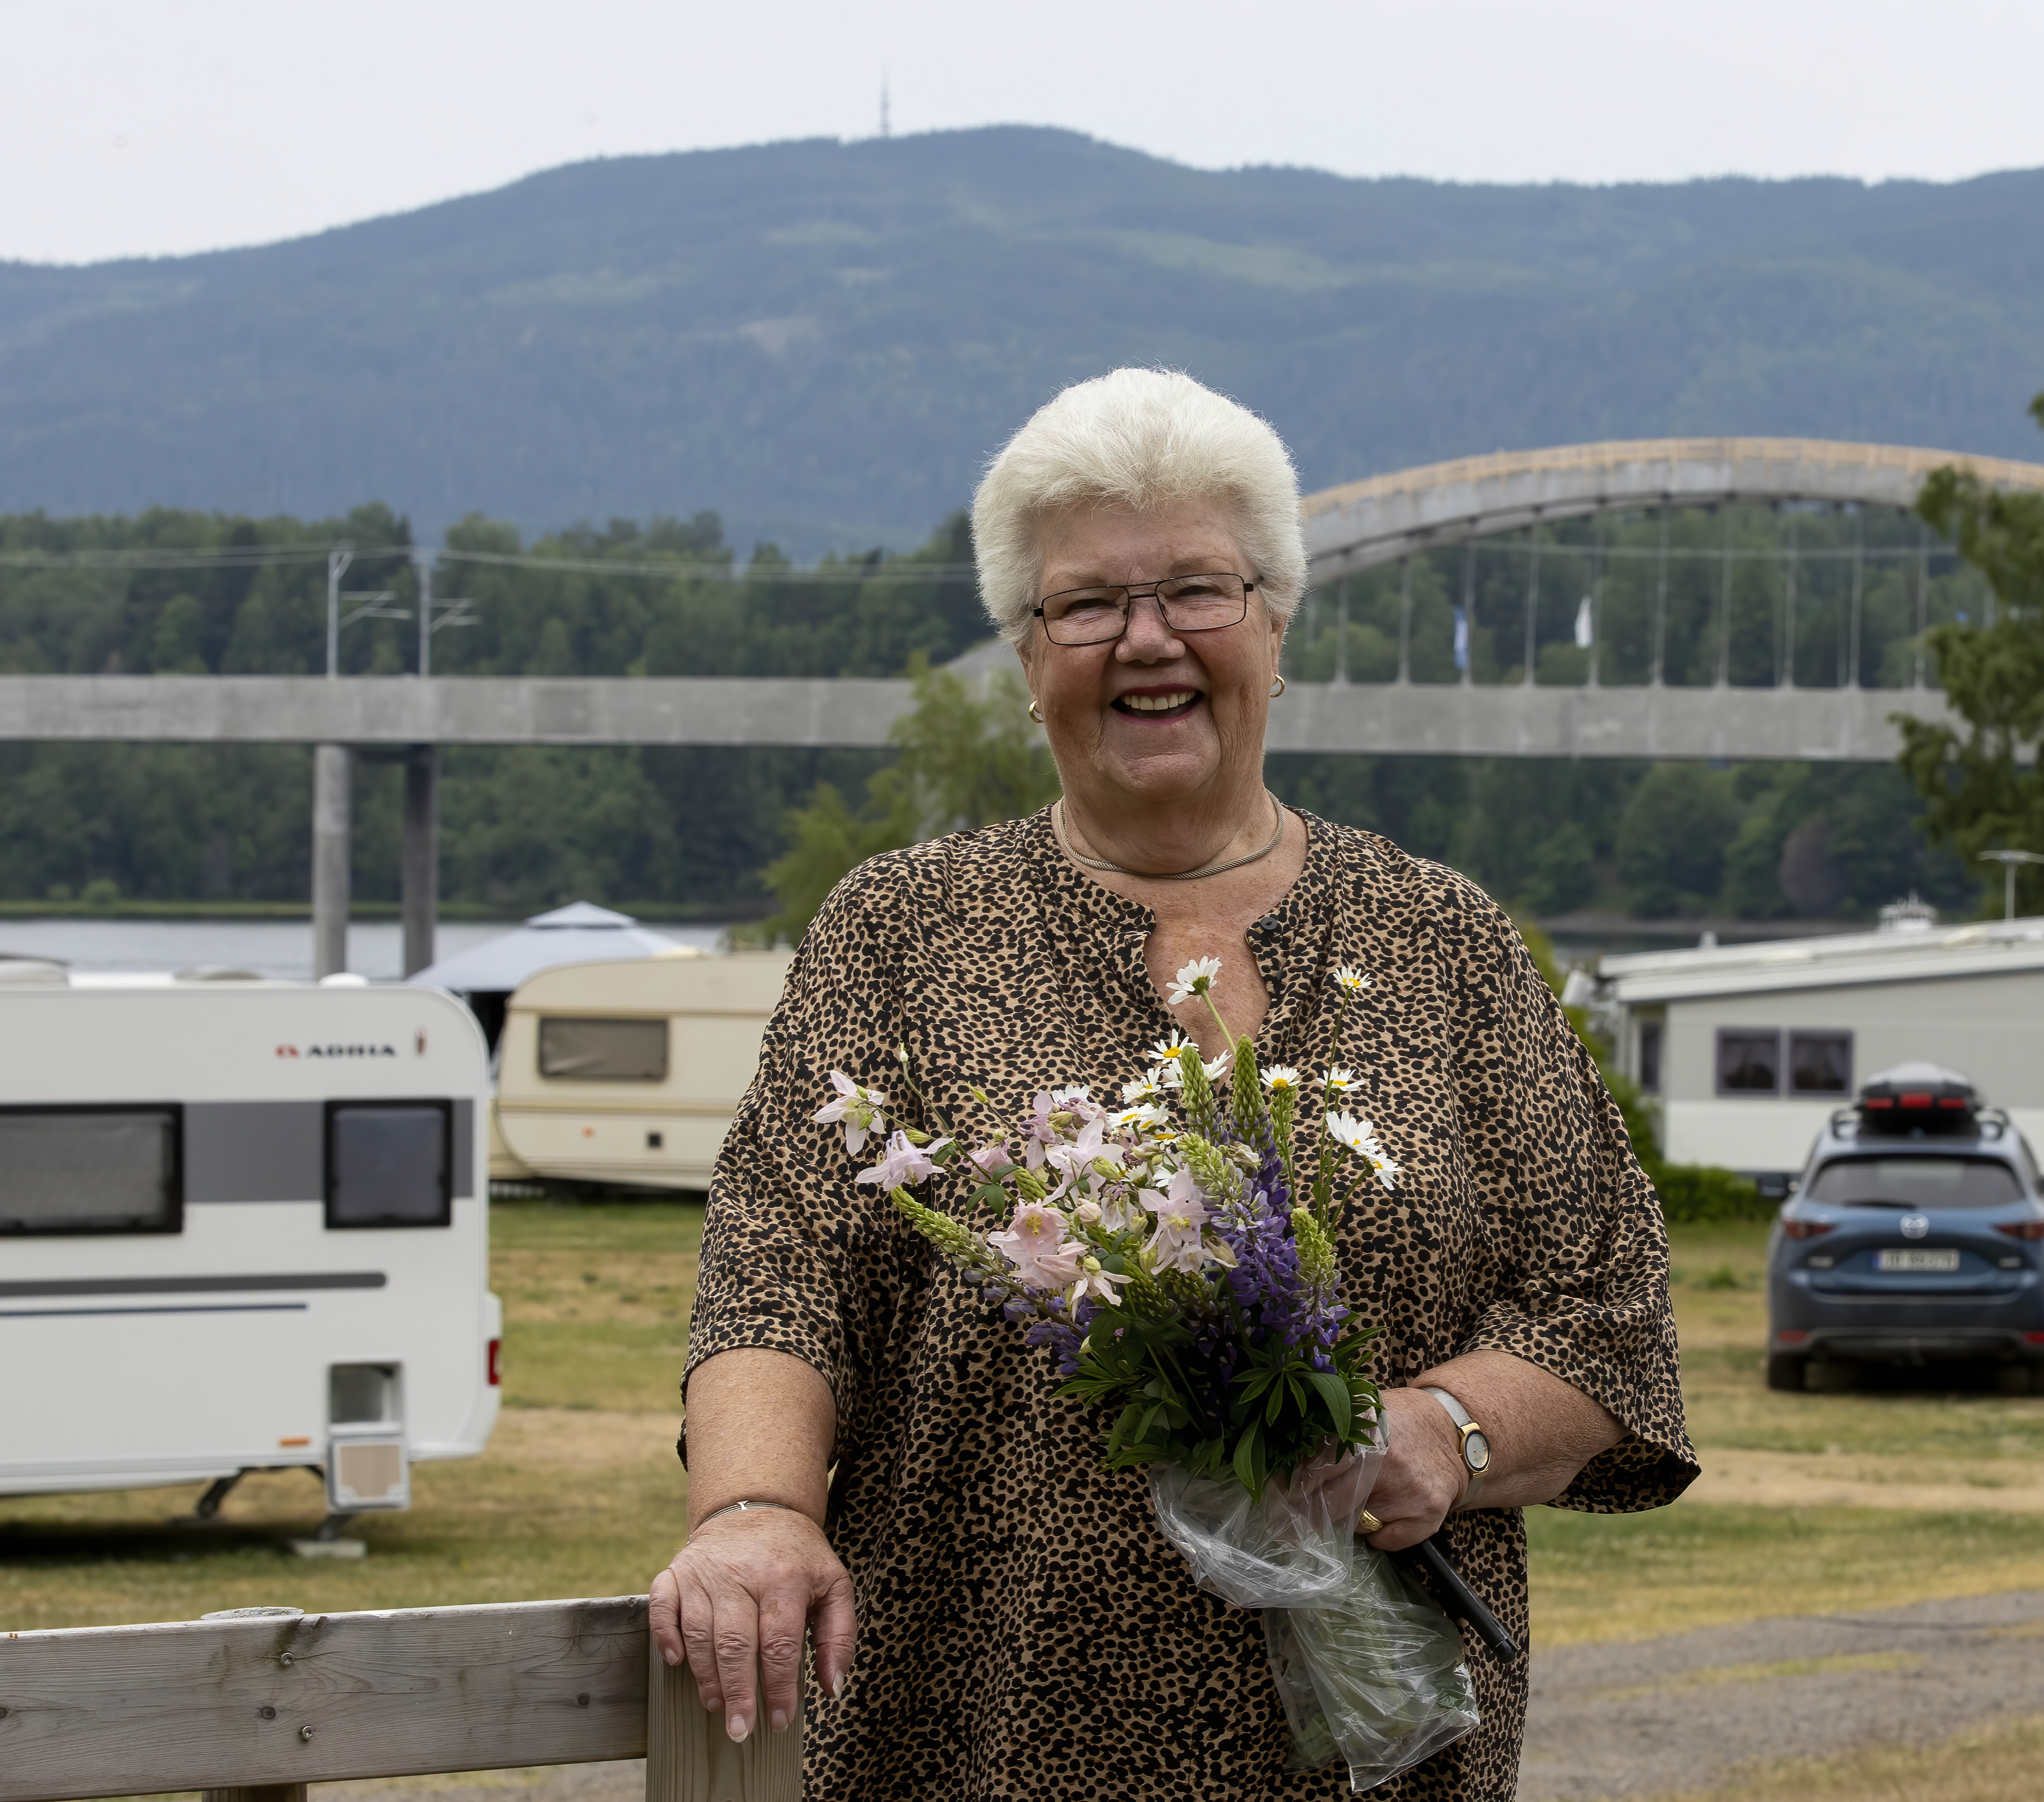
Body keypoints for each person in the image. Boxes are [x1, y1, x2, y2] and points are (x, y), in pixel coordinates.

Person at [648, 367, 1696, 1799]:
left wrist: (1441, 1430)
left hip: (1371, 1774)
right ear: (1027, 655)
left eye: (1198, 589)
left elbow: (1607, 1308)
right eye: (1086, 604)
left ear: (1277, 620)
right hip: (964, 1748)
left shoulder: (1443, 941)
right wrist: (755, 1512)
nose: (1147, 641)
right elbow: (778, 1274)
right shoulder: (901, 932)